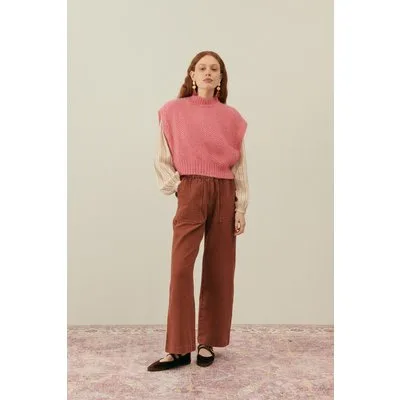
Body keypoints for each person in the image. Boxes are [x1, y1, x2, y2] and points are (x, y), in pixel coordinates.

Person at [148, 51, 249, 372]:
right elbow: (162, 156)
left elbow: (240, 165)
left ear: (221, 78)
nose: (208, 72)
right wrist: (179, 187)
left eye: (214, 69)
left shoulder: (232, 118)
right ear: (192, 74)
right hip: (191, 189)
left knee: (220, 269)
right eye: (202, 67)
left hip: (225, 191)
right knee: (180, 268)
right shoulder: (172, 111)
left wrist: (241, 207)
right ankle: (178, 348)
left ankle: (207, 341)